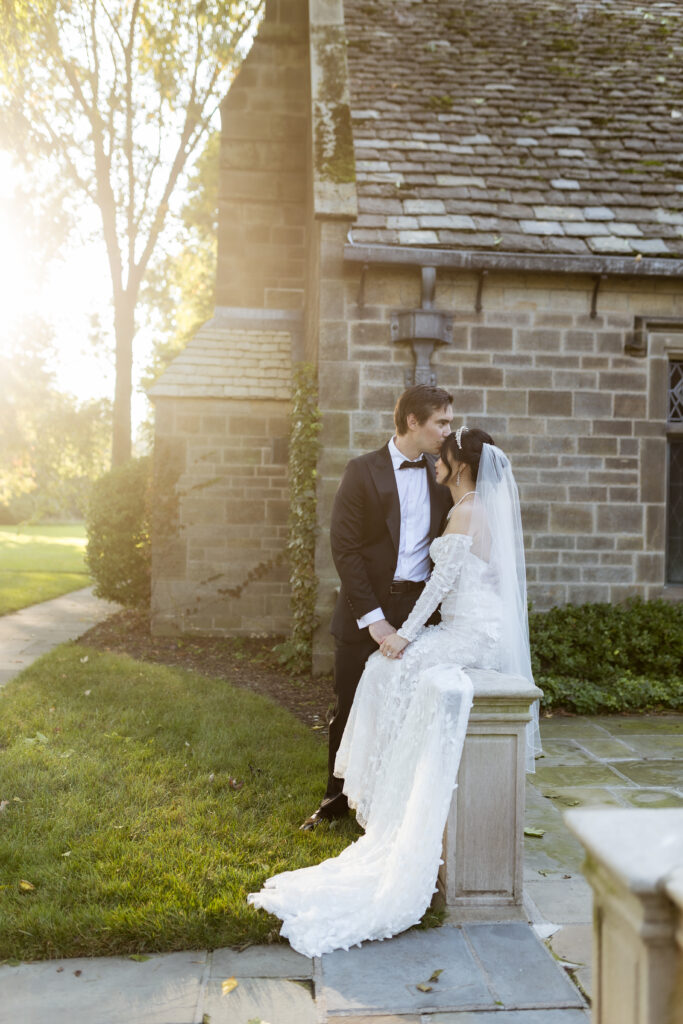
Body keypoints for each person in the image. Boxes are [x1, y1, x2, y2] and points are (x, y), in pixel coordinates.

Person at [248, 426, 542, 958]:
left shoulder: (467, 510)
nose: (435, 463)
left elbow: (439, 586)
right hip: (476, 627)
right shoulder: (475, 505)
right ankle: (376, 788)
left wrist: (404, 636)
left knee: (388, 673)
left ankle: (386, 793)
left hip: (466, 634)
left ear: (461, 467)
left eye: (443, 458)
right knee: (386, 674)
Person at [299, 384, 454, 831]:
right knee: (348, 707)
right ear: (412, 421)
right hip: (363, 611)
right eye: (440, 422)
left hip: (420, 614)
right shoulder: (362, 471)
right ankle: (334, 802)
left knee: (407, 708)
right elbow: (343, 548)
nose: (447, 430)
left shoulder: (441, 476)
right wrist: (374, 619)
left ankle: (390, 804)